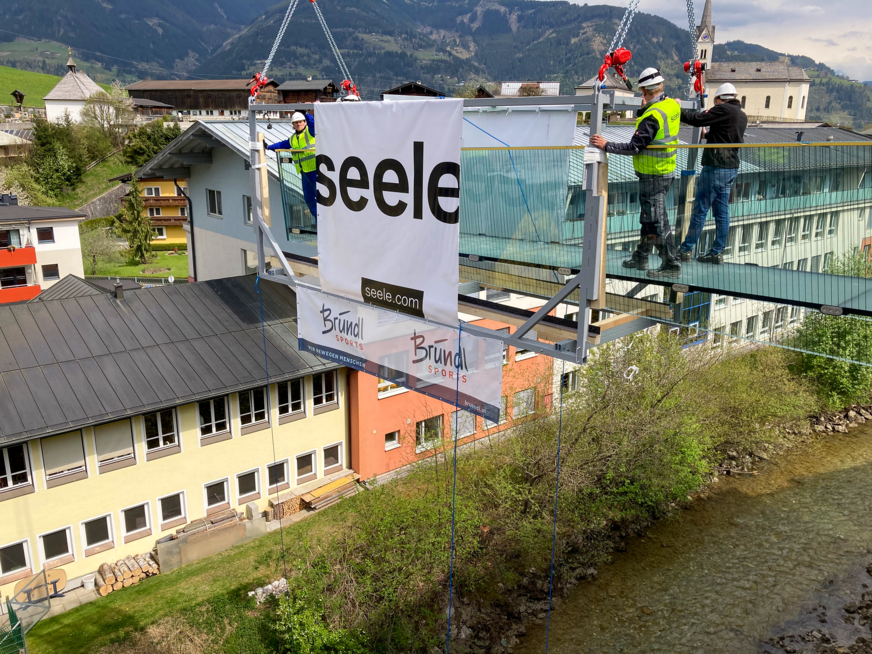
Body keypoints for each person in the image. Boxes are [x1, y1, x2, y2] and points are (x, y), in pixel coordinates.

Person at [590, 68, 683, 279]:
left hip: (653, 175)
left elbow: (634, 146)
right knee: (648, 219)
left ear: (645, 91)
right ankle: (641, 256)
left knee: (657, 220)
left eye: (642, 92)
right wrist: (644, 110)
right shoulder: (670, 105)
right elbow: (662, 123)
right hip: (664, 172)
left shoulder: (652, 116)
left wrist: (606, 145)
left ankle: (672, 264)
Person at [677, 83, 748, 264]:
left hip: (715, 166)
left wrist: (678, 109)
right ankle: (716, 252)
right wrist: (707, 135)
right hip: (731, 167)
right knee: (721, 211)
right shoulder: (741, 114)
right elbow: (726, 135)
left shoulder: (722, 109)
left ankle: (686, 249)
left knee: (700, 209)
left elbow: (696, 119)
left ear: (718, 99)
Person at [266, 111, 317, 220]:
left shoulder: (311, 132)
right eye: (296, 122)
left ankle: (324, 220)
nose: (298, 124)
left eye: (300, 122)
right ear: (293, 125)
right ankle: (319, 219)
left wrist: (307, 114)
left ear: (304, 122)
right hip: (304, 172)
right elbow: (282, 144)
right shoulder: (293, 139)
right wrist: (268, 147)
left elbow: (313, 124)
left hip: (316, 170)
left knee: (321, 198)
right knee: (309, 199)